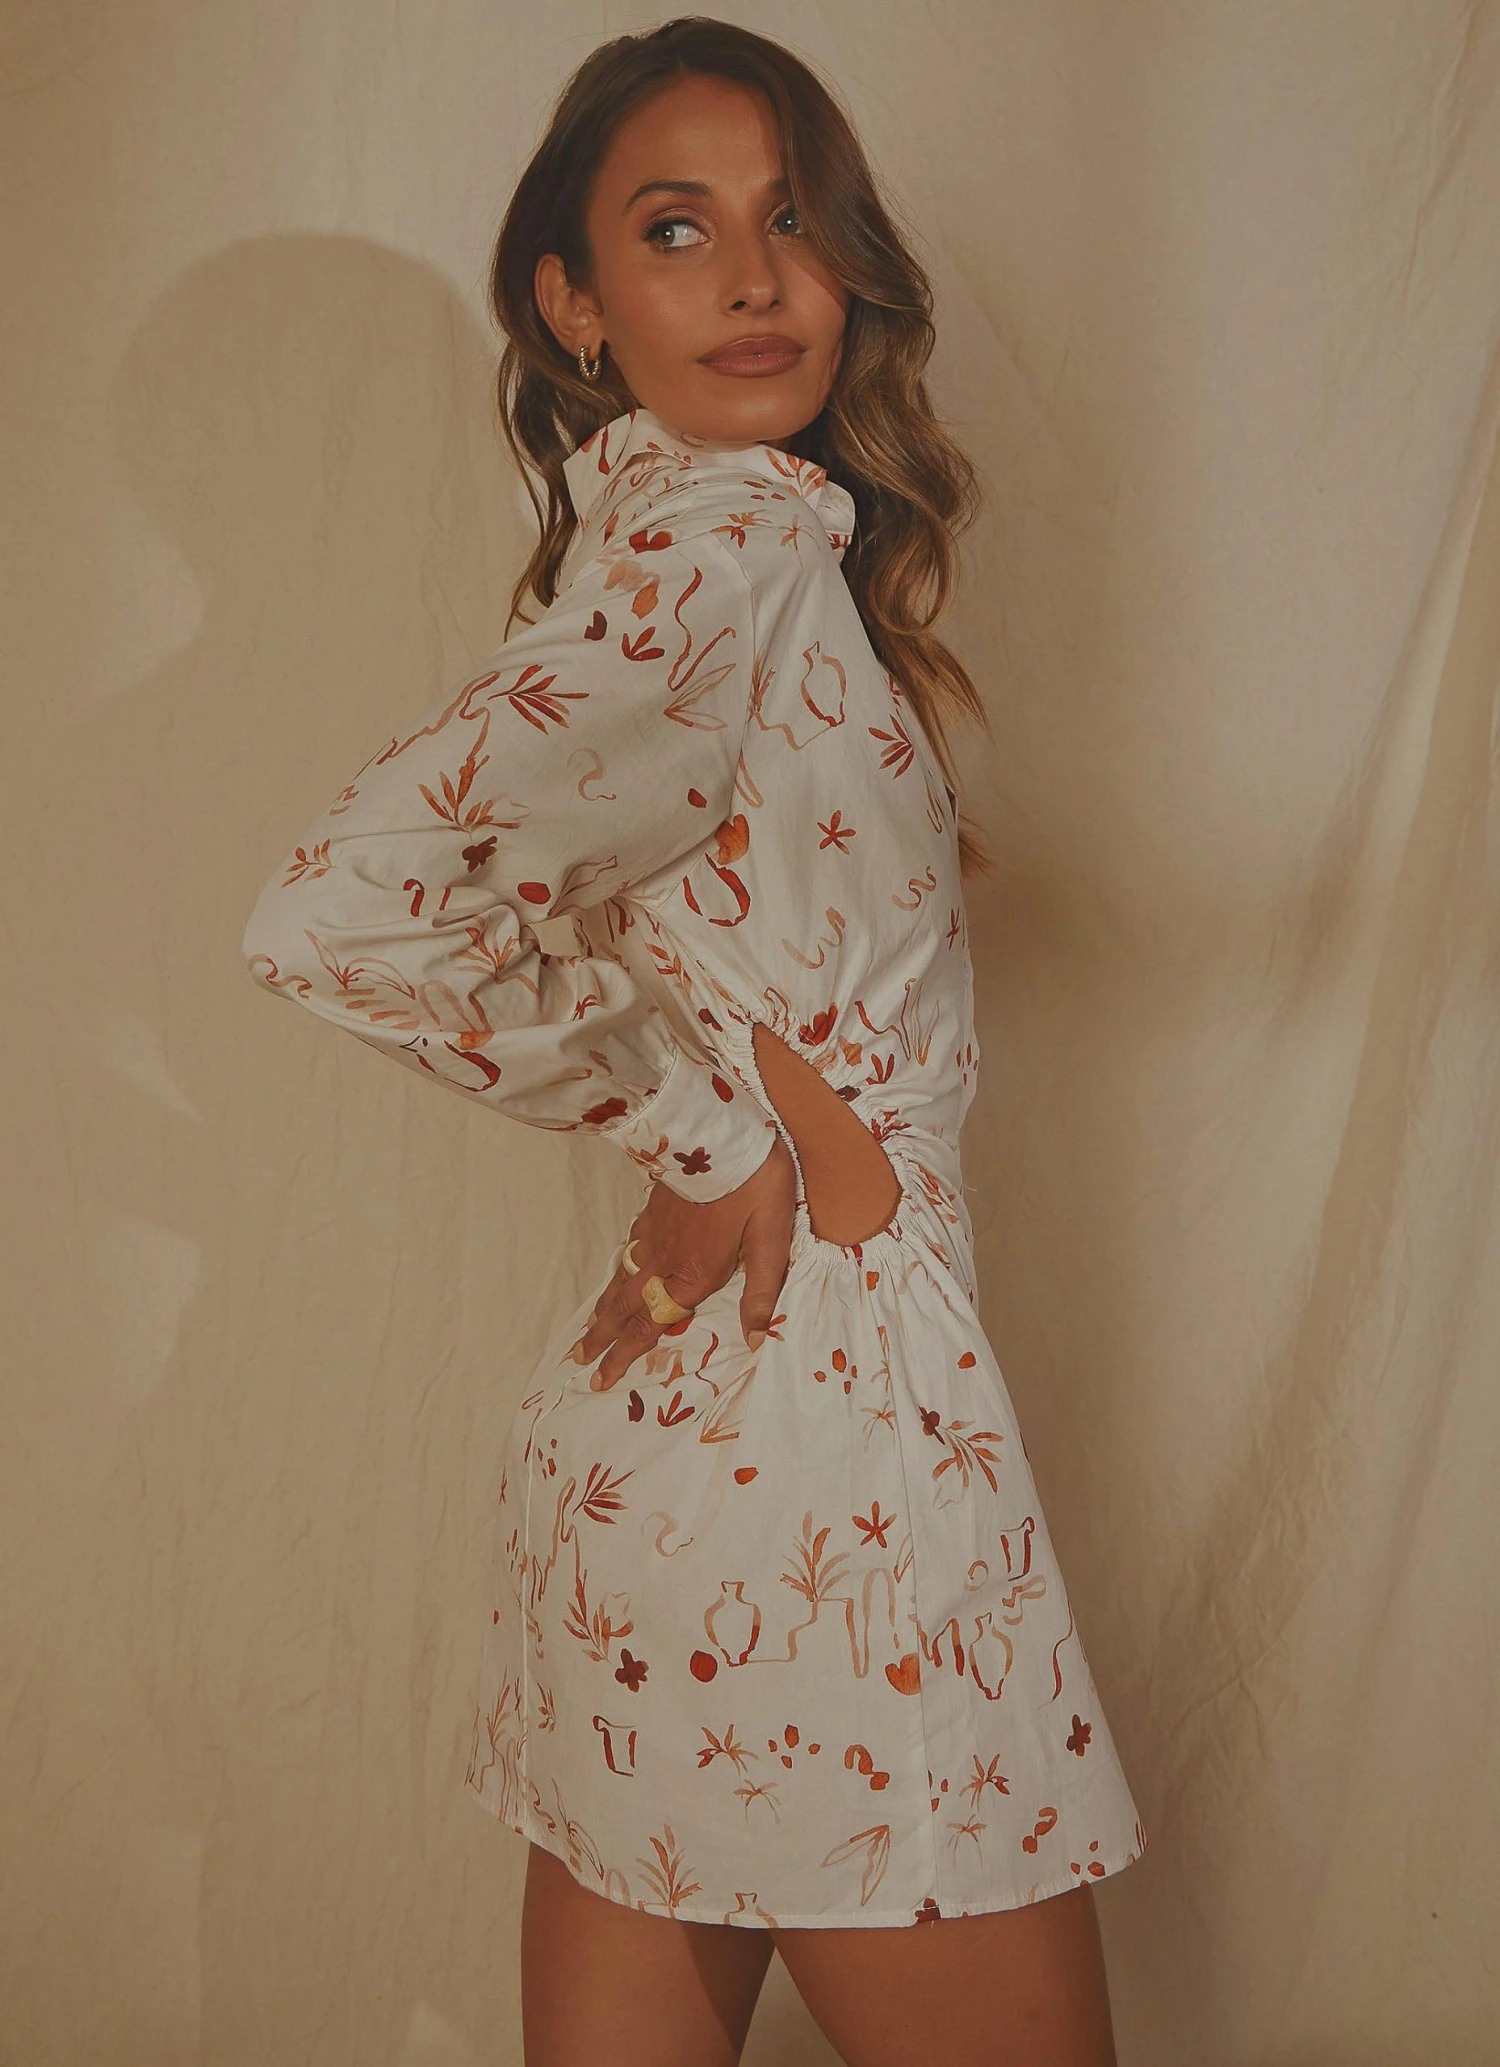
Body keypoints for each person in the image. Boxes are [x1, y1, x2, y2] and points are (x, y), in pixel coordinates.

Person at [240, 18, 1147, 2064]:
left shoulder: (697, 545)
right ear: (573, 302)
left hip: (676, 1434)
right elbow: (340, 910)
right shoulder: (721, 551)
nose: (754, 277)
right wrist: (711, 1132)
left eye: (792, 221)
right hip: (825, 1441)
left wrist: (714, 1113)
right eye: (676, 229)